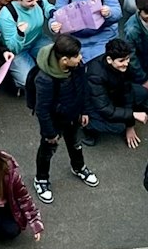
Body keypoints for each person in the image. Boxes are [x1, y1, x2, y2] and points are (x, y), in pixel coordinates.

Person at [27, 33, 100, 203]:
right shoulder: (45, 79)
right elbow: (42, 110)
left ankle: (79, 167)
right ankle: (41, 179)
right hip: (54, 120)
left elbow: (83, 89)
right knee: (47, 150)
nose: (81, 58)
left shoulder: (77, 66)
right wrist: (50, 133)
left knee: (75, 144)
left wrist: (85, 111)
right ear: (65, 60)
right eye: (76, 56)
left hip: (73, 114)